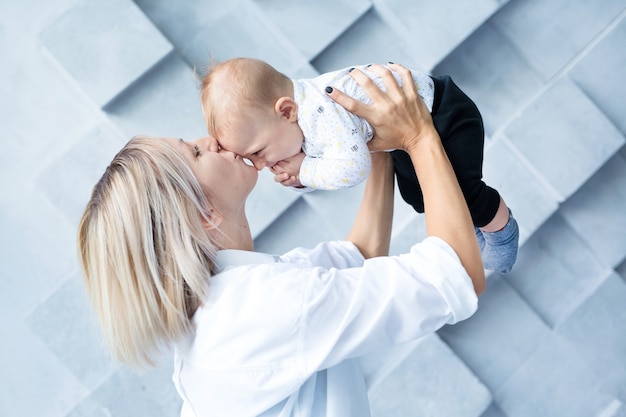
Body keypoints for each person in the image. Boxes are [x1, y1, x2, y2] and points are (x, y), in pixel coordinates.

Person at [78, 64, 485, 417]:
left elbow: (359, 255)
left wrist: (371, 136)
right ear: (204, 214)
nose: (210, 141)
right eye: (196, 154)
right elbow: (458, 275)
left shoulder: (231, 297)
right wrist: (418, 134)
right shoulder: (260, 310)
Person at [200, 58, 518, 273]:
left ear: (285, 111)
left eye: (258, 151)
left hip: (443, 114)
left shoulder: (320, 113)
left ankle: (502, 230)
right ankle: (475, 227)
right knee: (420, 197)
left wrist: (305, 170)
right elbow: (334, 156)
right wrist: (303, 178)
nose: (259, 164)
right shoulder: (298, 120)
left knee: (463, 191)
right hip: (403, 138)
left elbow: (352, 167)